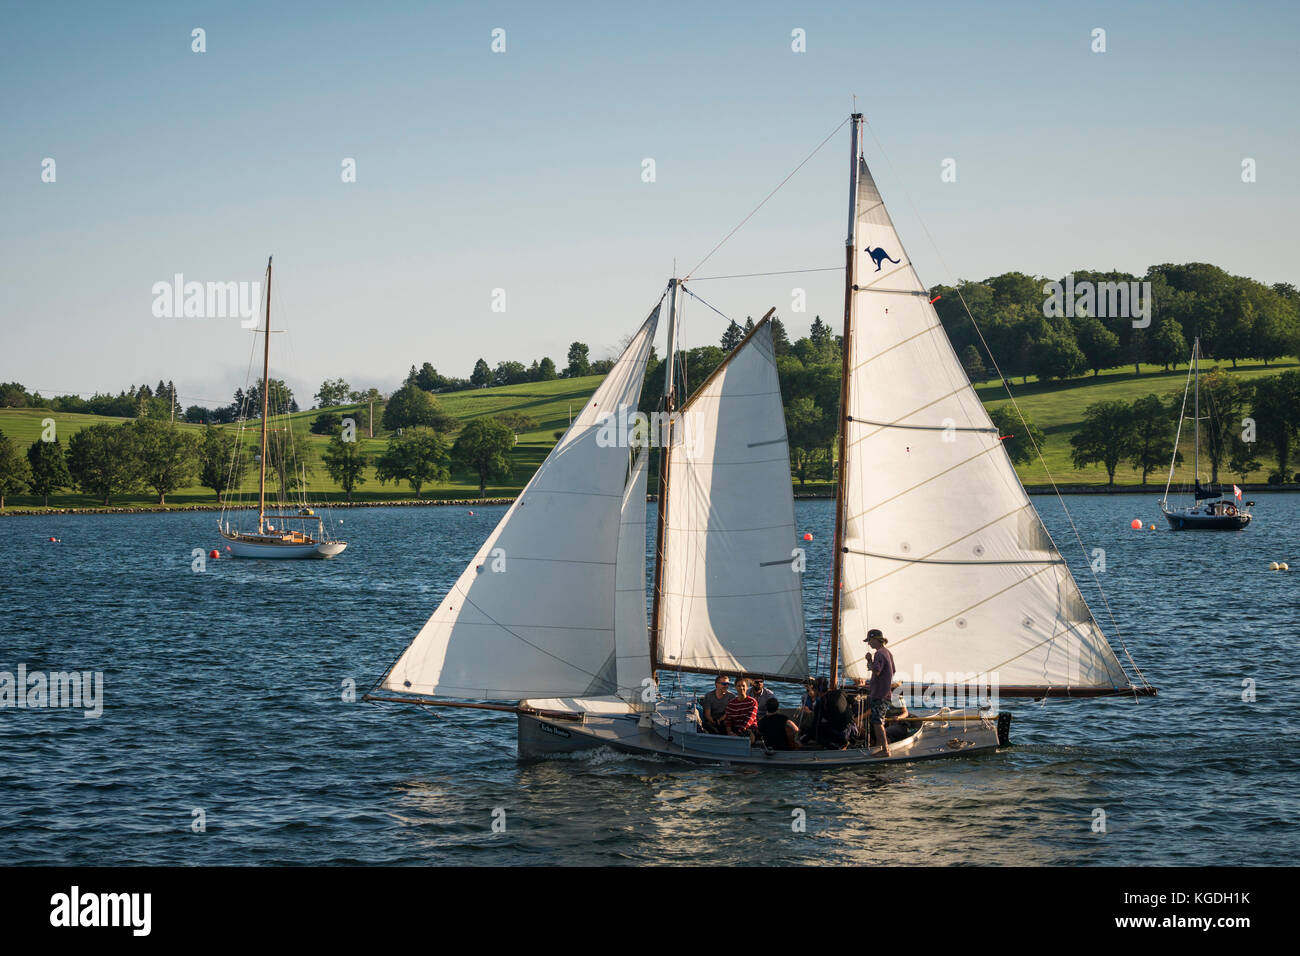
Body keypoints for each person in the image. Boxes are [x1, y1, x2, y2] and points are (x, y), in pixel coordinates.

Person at [865, 628, 896, 756]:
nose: (868, 644)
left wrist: (869, 661)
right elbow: (893, 671)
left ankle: (885, 750)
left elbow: (876, 671)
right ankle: (879, 746)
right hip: (885, 693)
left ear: (875, 639)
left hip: (879, 694)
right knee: (877, 721)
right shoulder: (887, 652)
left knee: (878, 722)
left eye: (869, 640)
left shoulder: (879, 654)